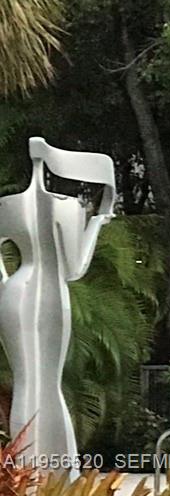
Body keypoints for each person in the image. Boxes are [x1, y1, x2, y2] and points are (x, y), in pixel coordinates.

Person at [0, 137, 114, 475]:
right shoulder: (65, 206)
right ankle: (60, 472)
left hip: (16, 289)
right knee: (48, 382)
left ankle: (28, 473)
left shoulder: (9, 204)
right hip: (50, 290)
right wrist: (98, 222)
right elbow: (75, 269)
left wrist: (6, 284)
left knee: (26, 380)